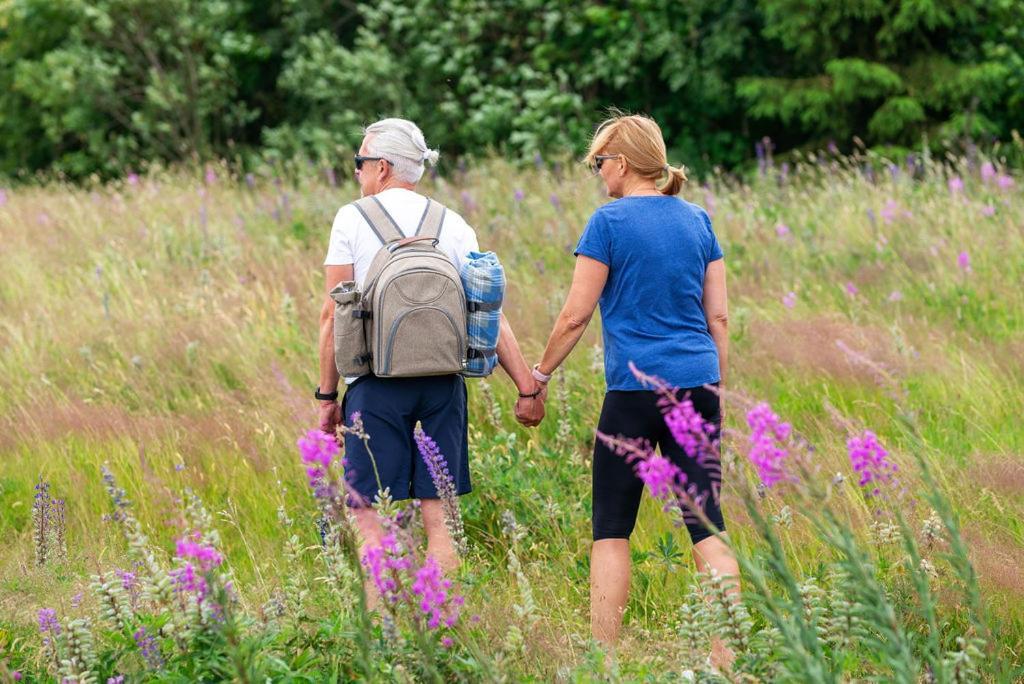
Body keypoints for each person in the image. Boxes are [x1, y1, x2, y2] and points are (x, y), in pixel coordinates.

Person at [530, 113, 738, 668]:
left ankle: (604, 660)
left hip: (632, 392)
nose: (599, 173)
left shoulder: (609, 222)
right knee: (706, 523)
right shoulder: (698, 221)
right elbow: (717, 315)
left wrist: (540, 377)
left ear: (622, 163)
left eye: (600, 162)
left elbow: (576, 316)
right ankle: (728, 662)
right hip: (697, 385)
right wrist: (716, 386)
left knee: (612, 528)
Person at [316, 118, 544, 583]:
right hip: (444, 385)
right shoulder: (452, 223)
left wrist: (325, 397)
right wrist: (526, 387)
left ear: (382, 167)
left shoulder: (351, 219)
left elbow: (331, 315)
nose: (356, 173)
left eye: (360, 163)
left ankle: (383, 634)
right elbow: (486, 313)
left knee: (368, 517)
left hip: (375, 386)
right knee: (440, 519)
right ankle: (444, 625)